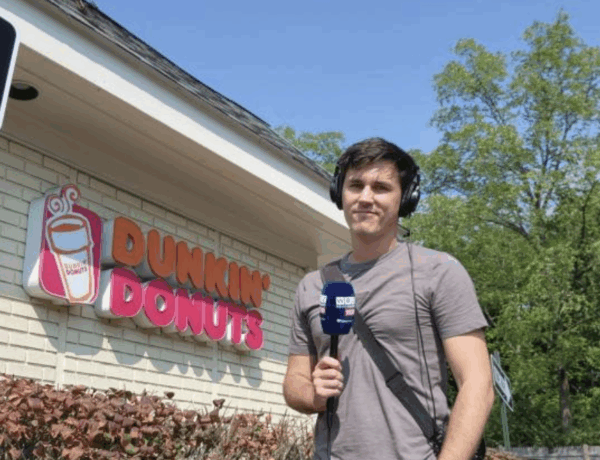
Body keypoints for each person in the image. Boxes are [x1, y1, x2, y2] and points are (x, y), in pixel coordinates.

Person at [283, 138, 495, 460]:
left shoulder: (438, 272)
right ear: (339, 192)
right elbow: (293, 383)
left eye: (381, 187)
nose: (365, 197)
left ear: (406, 198)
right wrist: (313, 394)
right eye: (355, 185)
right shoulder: (312, 286)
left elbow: (478, 385)